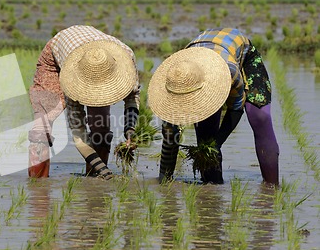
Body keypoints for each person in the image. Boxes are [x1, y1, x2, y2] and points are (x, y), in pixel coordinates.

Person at [148, 28, 279, 185]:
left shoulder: (230, 71)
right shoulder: (175, 79)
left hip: (239, 54)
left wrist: (217, 143)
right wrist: (164, 179)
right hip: (198, 57)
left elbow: (236, 108)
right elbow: (170, 136)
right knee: (206, 133)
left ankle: (271, 188)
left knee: (259, 116)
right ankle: (212, 187)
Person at [28, 25, 140, 179]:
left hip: (95, 54)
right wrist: (103, 169)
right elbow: (78, 130)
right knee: (43, 124)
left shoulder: (126, 58)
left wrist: (130, 130)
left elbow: (132, 97)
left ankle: (94, 178)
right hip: (59, 54)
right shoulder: (72, 77)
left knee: (101, 127)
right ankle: (37, 184)